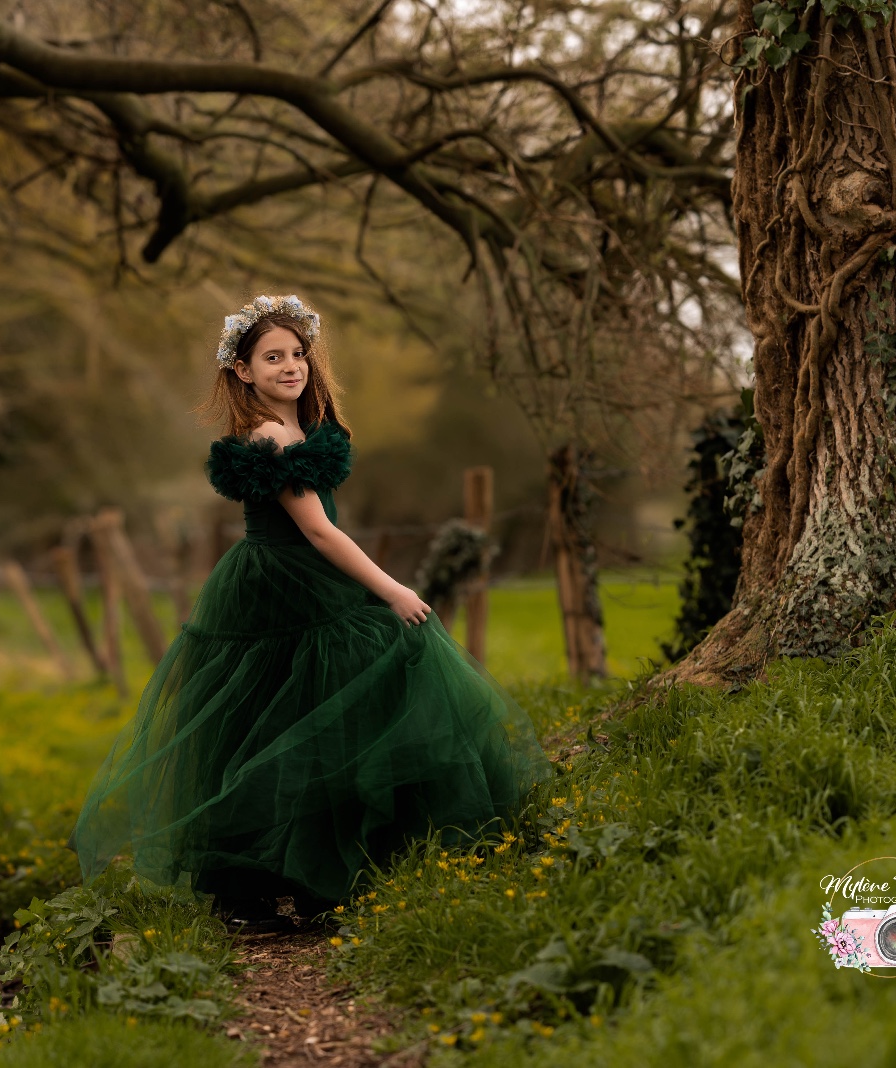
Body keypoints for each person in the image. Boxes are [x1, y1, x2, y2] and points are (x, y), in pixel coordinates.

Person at [71, 294, 550, 930]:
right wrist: (393, 589)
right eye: (272, 357)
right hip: (285, 585)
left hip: (291, 581)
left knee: (282, 725)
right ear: (243, 371)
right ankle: (308, 882)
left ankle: (275, 888)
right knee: (314, 714)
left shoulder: (294, 428)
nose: (290, 366)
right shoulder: (271, 435)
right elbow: (320, 533)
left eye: (297, 354)